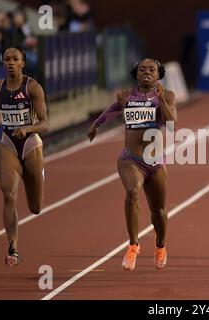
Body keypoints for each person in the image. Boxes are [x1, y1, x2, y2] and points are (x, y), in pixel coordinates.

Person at [87, 58, 177, 271]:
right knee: (132, 192)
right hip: (131, 159)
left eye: (152, 70)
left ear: (158, 74)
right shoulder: (125, 96)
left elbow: (172, 125)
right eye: (142, 69)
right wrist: (96, 124)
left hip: (155, 162)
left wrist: (162, 99)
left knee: (159, 212)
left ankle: (160, 245)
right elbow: (113, 109)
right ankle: (133, 244)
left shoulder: (168, 96)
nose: (147, 72)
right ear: (136, 74)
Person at [0, 47, 48, 266]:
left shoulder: (32, 87)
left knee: (35, 208)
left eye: (15, 59)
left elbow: (45, 123)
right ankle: (13, 248)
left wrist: (27, 129)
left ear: (23, 63)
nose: (10, 63)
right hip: (8, 143)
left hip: (30, 144)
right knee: (8, 194)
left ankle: (38, 174)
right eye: (7, 59)